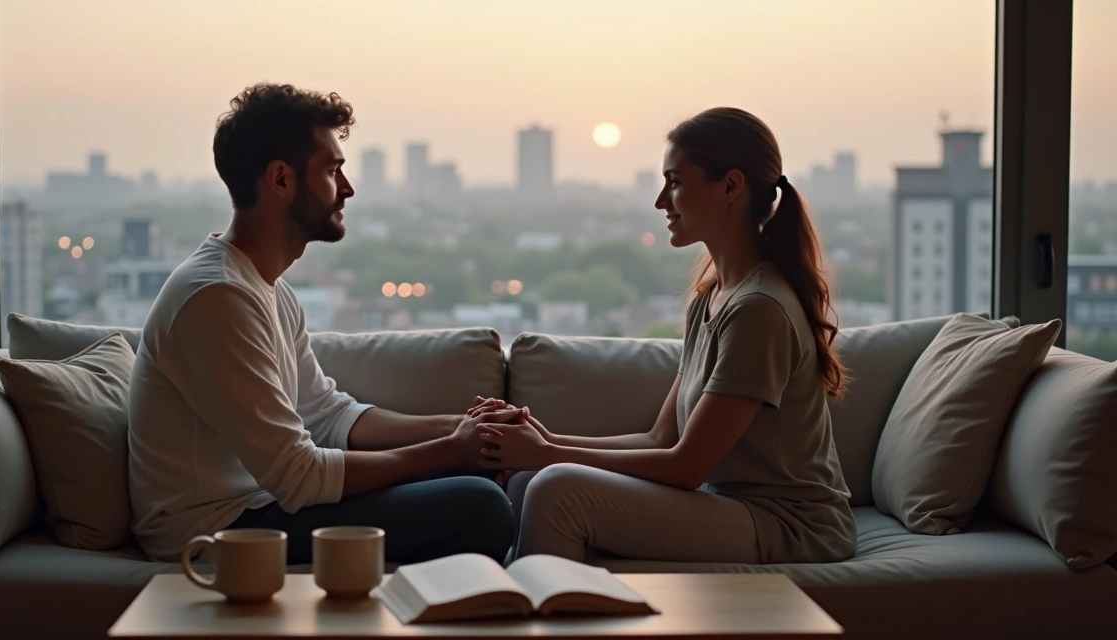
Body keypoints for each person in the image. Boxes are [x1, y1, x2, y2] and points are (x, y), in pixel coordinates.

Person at [127, 83, 517, 564]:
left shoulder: (268, 287)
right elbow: (299, 475)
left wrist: (466, 429)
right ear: (281, 179)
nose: (348, 188)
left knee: (483, 481)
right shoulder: (217, 297)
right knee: (480, 506)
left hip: (265, 504)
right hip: (216, 528)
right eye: (333, 170)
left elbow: (328, 416)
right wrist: (450, 451)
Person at [474, 107, 857, 565]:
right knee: (526, 480)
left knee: (557, 490)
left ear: (732, 186)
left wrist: (549, 453)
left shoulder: (760, 309)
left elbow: (686, 467)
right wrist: (544, 442)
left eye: (675, 181)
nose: (660, 200)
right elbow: (661, 440)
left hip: (792, 525)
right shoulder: (713, 298)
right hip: (735, 507)